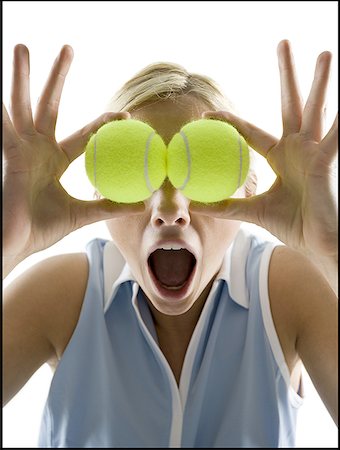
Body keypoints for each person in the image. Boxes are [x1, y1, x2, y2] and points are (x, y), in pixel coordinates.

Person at [3, 39, 337, 448]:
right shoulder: (63, 295)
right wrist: (6, 249)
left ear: (248, 189)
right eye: (139, 178)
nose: (169, 209)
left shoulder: (288, 291)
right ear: (101, 193)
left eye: (199, 175)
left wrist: (331, 255)